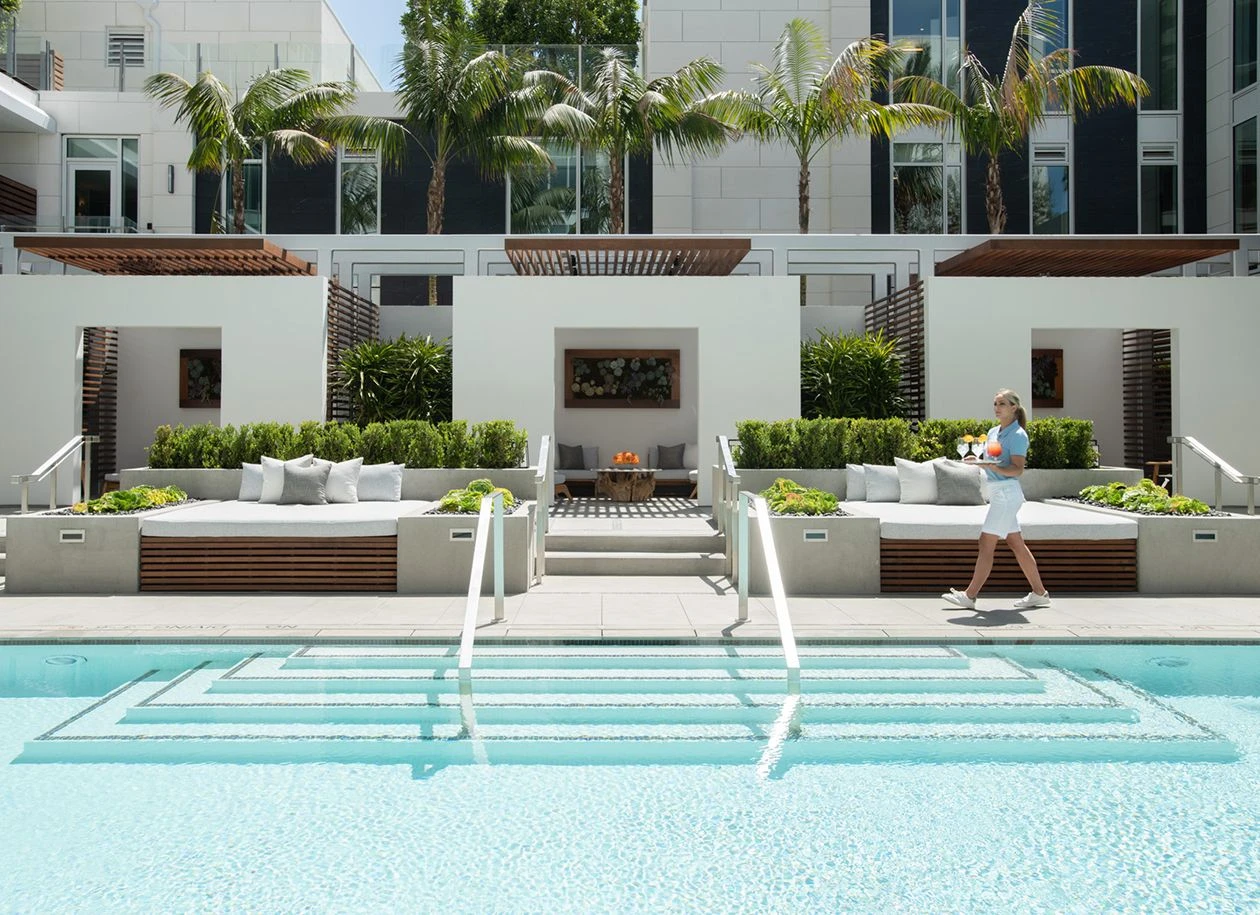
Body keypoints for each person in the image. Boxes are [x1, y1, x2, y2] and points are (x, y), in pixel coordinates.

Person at [942, 389, 1051, 611]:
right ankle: (1039, 593)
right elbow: (994, 460)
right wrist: (978, 461)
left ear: (1014, 407)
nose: (997, 407)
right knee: (1016, 544)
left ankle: (970, 595)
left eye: (1002, 403)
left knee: (986, 542)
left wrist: (991, 466)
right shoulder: (993, 432)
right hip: (997, 492)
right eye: (995, 403)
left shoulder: (1018, 435)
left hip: (1007, 494)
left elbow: (1017, 469)